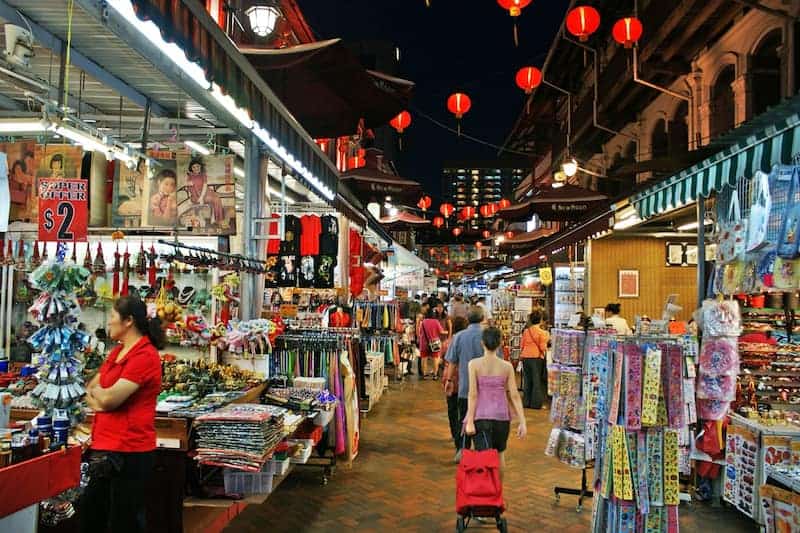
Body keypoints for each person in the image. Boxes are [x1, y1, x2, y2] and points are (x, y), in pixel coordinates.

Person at [81, 295, 165, 533]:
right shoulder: (116, 352)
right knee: (92, 514)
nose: (108, 323)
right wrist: (99, 397)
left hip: (129, 452)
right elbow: (91, 388)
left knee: (122, 521)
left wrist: (100, 398)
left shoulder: (144, 356)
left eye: (112, 318)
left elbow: (108, 399)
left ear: (128, 321)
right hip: (105, 446)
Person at [464, 326, 526, 479]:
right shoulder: (507, 366)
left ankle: (485, 493)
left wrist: (470, 420)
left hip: (481, 416)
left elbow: (472, 394)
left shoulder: (474, 365)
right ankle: (497, 492)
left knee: (482, 458)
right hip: (502, 416)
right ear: (500, 343)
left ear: (482, 343)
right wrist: (522, 421)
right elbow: (514, 395)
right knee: (500, 455)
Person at [443, 306, 485, 462]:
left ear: (468, 319)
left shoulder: (459, 337)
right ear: (482, 319)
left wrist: (449, 380)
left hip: (465, 387)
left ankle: (462, 450)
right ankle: (482, 452)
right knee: (483, 420)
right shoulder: (487, 335)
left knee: (464, 419)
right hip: (485, 388)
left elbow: (452, 362)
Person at [444, 316, 468, 458]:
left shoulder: (448, 342)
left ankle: (455, 433)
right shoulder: (466, 341)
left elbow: (443, 358)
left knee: (452, 407)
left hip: (450, 377)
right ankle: (461, 438)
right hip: (464, 378)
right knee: (463, 410)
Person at [520, 309, 550, 409]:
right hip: (536, 358)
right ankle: (536, 404)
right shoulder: (543, 333)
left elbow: (522, 345)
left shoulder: (526, 331)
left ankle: (526, 402)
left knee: (527, 380)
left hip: (525, 357)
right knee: (537, 381)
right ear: (541, 320)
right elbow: (543, 347)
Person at [184, 157, 224, 225]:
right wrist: (190, 182)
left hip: (205, 192)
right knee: (214, 200)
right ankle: (213, 218)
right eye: (194, 167)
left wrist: (202, 197)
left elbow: (205, 186)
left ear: (200, 166)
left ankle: (216, 218)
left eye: (197, 166)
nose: (196, 168)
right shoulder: (189, 176)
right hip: (196, 195)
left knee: (217, 199)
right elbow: (187, 185)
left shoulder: (203, 174)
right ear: (191, 168)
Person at [418, 307, 446, 379]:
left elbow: (420, 332)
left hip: (423, 343)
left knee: (424, 359)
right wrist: (447, 332)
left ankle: (424, 375)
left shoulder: (423, 322)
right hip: (434, 343)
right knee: (435, 359)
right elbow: (441, 332)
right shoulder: (436, 321)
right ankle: (435, 375)